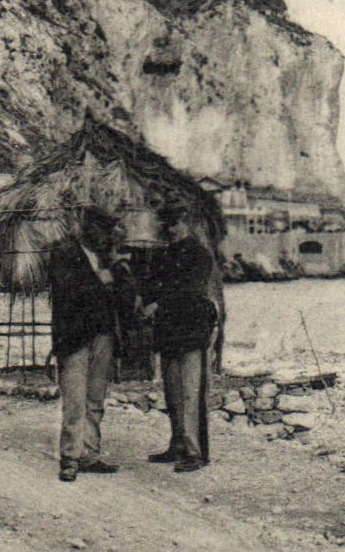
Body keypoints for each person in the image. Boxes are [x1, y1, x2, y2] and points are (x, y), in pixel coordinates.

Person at [48, 206, 131, 483]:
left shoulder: (106, 258)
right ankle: (70, 457)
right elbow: (68, 292)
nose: (104, 236)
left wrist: (120, 273)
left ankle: (90, 453)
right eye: (100, 230)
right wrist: (101, 280)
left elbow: (121, 295)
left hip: (102, 335)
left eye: (107, 231)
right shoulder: (64, 252)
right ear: (87, 229)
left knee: (95, 398)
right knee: (74, 400)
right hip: (73, 337)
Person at [142, 199, 219, 473]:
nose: (170, 230)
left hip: (192, 331)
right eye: (167, 226)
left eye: (174, 224)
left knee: (191, 395)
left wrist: (159, 304)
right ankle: (177, 445)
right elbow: (152, 284)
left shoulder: (199, 255)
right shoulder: (164, 255)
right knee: (173, 394)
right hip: (170, 333)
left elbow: (189, 290)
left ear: (186, 223)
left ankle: (195, 452)